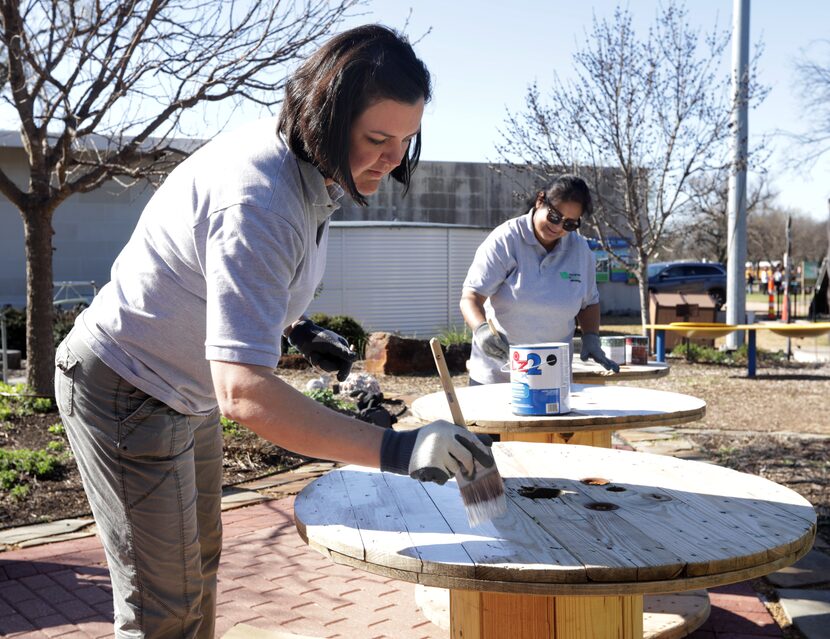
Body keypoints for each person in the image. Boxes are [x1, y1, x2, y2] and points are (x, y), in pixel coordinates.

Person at [54, 25, 495, 639]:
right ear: (327, 116)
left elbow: (230, 282)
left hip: (183, 385)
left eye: (406, 139)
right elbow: (244, 393)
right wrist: (397, 450)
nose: (393, 158)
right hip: (128, 385)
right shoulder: (261, 199)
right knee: (164, 608)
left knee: (196, 567)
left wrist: (295, 326)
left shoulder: (310, 162)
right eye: (376, 138)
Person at [459, 175, 620, 386]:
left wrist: (591, 336)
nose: (559, 228)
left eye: (570, 224)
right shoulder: (506, 240)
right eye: (554, 216)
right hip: (499, 376)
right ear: (540, 200)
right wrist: (481, 330)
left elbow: (589, 302)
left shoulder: (580, 250)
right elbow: (471, 297)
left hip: (552, 378)